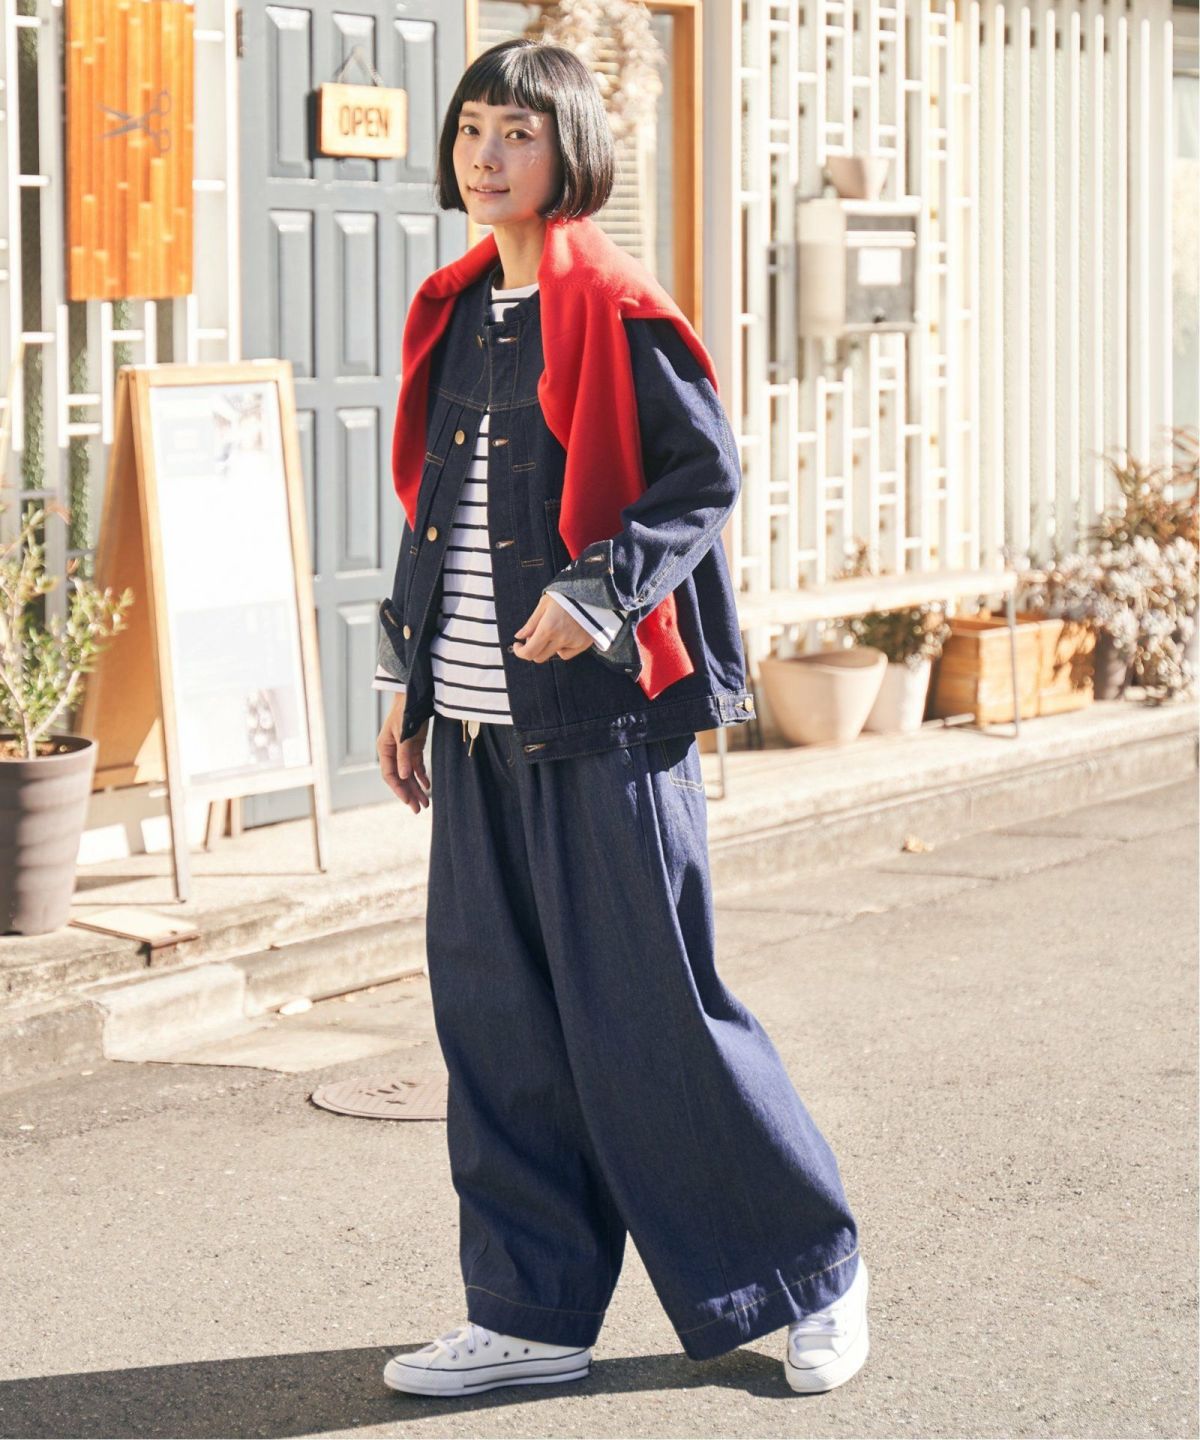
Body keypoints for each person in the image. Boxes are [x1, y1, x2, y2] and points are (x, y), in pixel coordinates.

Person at [373, 36, 869, 1399]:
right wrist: (406, 684)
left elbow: (702, 477)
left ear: (571, 150)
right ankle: (531, 1311)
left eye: (518, 133)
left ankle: (814, 1273)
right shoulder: (452, 310)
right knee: (499, 1031)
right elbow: (435, 515)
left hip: (604, 724)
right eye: (472, 129)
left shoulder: (623, 309)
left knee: (656, 1020)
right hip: (478, 726)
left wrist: (597, 591)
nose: (487, 156)